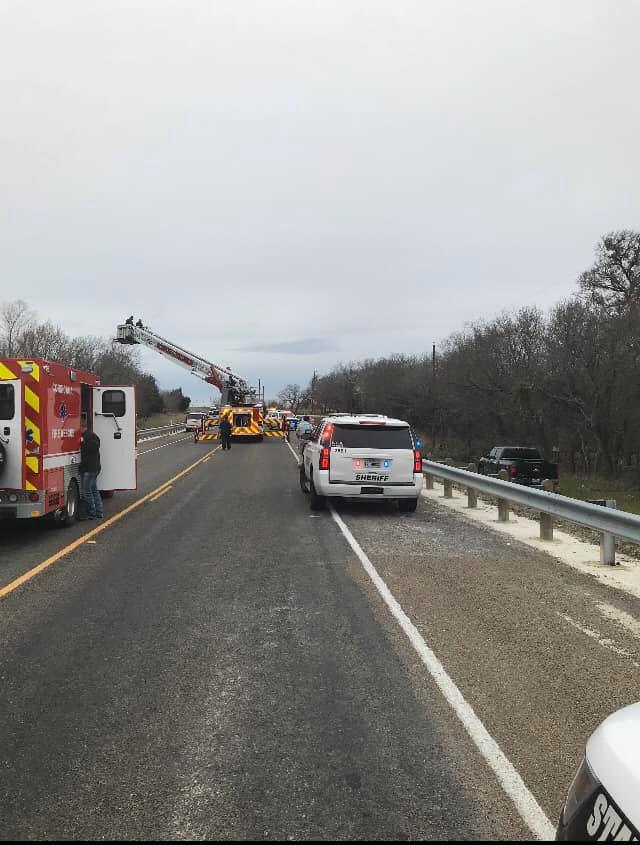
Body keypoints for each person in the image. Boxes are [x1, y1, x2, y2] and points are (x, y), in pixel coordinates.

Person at [79, 423, 103, 520]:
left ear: (82, 427)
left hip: (91, 469)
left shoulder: (90, 436)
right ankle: (99, 511)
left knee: (87, 491)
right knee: (94, 490)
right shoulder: (91, 435)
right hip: (94, 468)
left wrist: (82, 442)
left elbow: (93, 448)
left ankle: (91, 513)